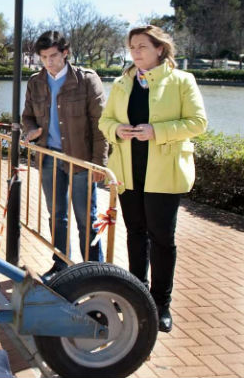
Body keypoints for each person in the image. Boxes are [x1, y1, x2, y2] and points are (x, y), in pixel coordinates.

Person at [99, 25, 207, 332]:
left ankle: (161, 303)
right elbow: (104, 120)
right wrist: (116, 130)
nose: (135, 52)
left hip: (165, 174)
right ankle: (137, 292)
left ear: (160, 49)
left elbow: (198, 122)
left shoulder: (182, 81)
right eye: (132, 47)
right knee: (135, 233)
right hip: (128, 173)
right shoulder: (123, 82)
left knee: (162, 238)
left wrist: (156, 131)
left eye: (142, 46)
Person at [22, 31, 108, 281]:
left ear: (65, 53)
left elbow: (100, 125)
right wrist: (30, 130)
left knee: (86, 217)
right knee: (57, 215)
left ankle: (94, 272)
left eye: (53, 56)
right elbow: (26, 116)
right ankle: (61, 266)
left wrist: (99, 164)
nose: (48, 62)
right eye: (44, 57)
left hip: (80, 162)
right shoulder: (35, 82)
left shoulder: (86, 80)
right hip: (49, 159)